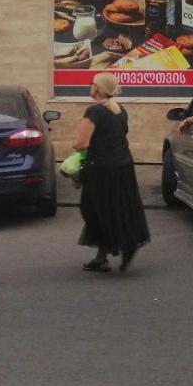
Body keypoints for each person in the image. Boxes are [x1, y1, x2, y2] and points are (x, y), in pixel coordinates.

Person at [75, 73, 150, 273]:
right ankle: (103, 256)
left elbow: (81, 144)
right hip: (123, 165)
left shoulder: (94, 111)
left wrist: (75, 152)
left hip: (101, 168)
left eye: (92, 83)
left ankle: (123, 245)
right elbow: (120, 134)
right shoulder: (119, 110)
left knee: (92, 209)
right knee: (119, 207)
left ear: (98, 88)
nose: (89, 86)